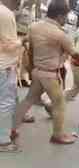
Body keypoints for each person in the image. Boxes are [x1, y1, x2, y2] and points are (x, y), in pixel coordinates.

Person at [14, 0, 79, 145]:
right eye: (65, 16)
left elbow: (27, 43)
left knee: (28, 100)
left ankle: (12, 129)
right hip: (49, 74)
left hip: (37, 71)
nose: (65, 20)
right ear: (59, 16)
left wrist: (31, 67)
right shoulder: (60, 34)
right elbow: (74, 53)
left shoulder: (34, 27)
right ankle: (58, 135)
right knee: (59, 104)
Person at [0, 0, 23, 152]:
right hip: (4, 65)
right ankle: (3, 142)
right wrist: (22, 41)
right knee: (5, 104)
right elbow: (8, 46)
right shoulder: (5, 13)